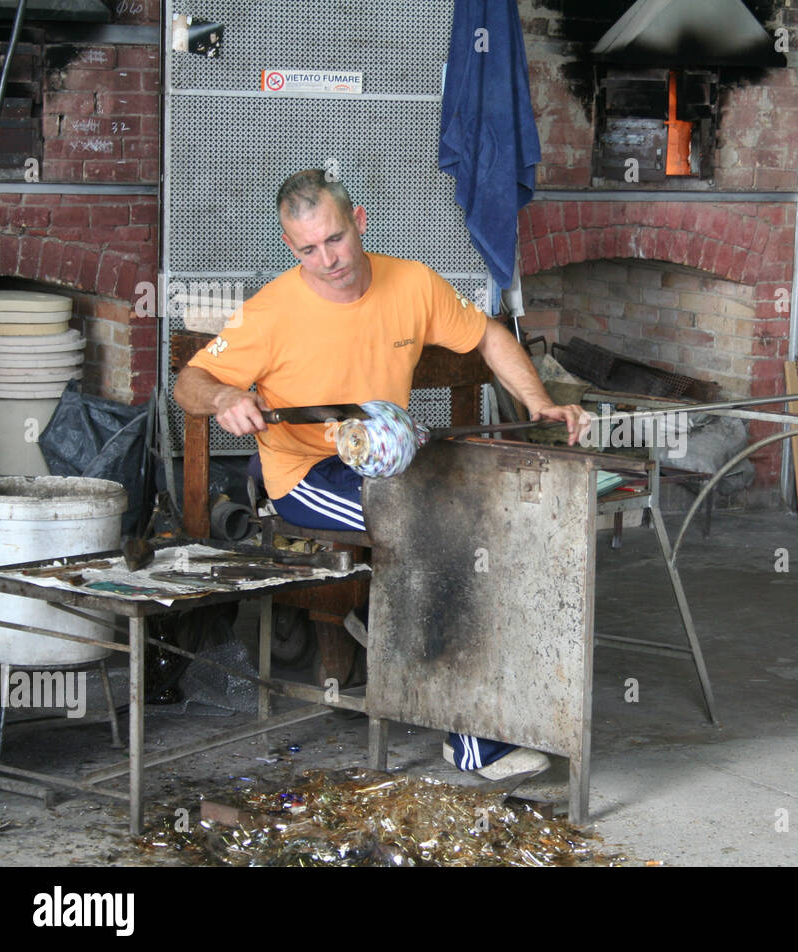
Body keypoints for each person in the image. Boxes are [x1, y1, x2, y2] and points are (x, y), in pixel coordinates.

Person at [174, 169, 586, 781]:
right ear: (292, 249)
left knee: (502, 513)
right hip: (307, 473)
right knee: (439, 533)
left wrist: (537, 400)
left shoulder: (412, 282)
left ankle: (517, 701)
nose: (327, 259)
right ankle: (468, 738)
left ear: (359, 221)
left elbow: (489, 336)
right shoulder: (272, 312)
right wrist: (223, 400)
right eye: (307, 249)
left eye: (335, 240)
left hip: (387, 458)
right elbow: (189, 381)